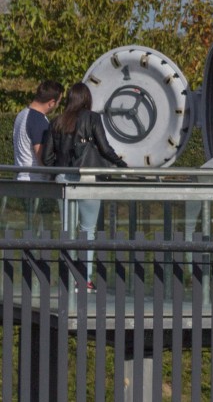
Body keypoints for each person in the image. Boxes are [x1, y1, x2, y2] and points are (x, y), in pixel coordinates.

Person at [41, 83, 128, 288]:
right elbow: (105, 149)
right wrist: (122, 165)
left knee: (67, 230)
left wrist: (61, 170)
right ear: (86, 99)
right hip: (88, 179)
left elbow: (46, 157)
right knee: (87, 230)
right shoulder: (92, 118)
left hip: (63, 180)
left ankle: (67, 278)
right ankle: (85, 279)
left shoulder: (57, 122)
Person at [12, 80, 63, 176]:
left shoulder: (22, 114)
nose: (58, 105)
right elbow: (42, 158)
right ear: (52, 103)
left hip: (21, 179)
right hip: (34, 182)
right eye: (58, 102)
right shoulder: (38, 120)